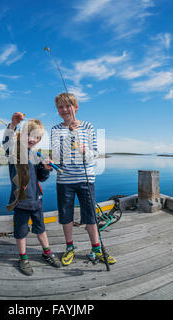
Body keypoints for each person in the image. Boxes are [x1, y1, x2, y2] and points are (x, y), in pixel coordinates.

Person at [50, 93, 116, 266]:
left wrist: (85, 149)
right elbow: (57, 155)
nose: (64, 110)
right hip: (64, 181)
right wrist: (71, 134)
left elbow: (94, 154)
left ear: (76, 107)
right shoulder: (56, 129)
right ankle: (69, 247)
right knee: (66, 216)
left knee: (91, 216)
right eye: (60, 107)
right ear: (57, 110)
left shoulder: (88, 126)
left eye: (68, 106)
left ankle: (96, 249)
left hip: (86, 179)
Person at [3, 112, 61, 276]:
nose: (32, 139)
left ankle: (47, 252)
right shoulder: (15, 151)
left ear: (39, 140)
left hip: (36, 200)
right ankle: (23, 257)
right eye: (29, 134)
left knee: (41, 229)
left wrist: (46, 168)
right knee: (20, 232)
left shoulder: (36, 155)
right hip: (20, 201)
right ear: (21, 134)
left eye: (36, 137)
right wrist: (13, 125)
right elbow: (7, 142)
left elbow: (41, 178)